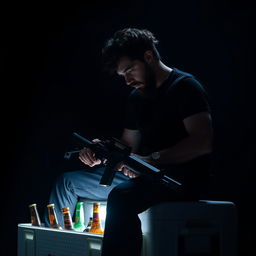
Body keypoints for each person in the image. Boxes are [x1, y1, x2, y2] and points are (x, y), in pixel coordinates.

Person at [44, 28, 213, 256]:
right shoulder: (137, 98)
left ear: (149, 57)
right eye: (123, 75)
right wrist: (101, 152)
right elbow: (127, 147)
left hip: (179, 178)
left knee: (121, 198)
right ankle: (52, 250)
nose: (127, 80)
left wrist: (151, 160)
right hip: (145, 173)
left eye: (130, 70)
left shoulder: (185, 87)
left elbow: (202, 142)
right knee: (67, 182)